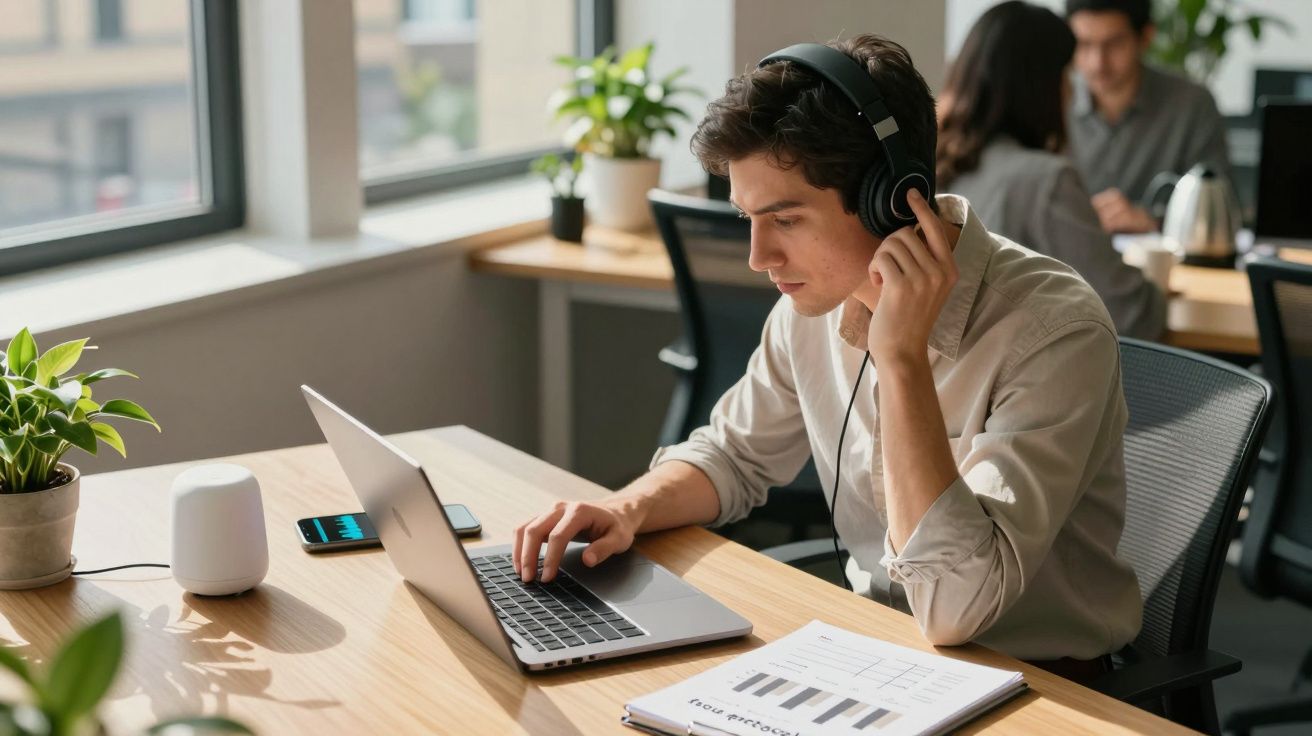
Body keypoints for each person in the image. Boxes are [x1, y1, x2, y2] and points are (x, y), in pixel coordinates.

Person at [512, 34, 1142, 678]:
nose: (759, 258)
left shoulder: (1050, 329)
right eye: (747, 218)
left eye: (785, 220)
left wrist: (900, 361)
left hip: (1043, 685)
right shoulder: (810, 308)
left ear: (894, 199)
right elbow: (733, 454)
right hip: (876, 651)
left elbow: (956, 608)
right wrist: (628, 507)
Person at [939, 1, 1165, 339]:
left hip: (950, 381)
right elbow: (1132, 313)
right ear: (1039, 84)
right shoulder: (1046, 180)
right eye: (1066, 73)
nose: (1073, 90)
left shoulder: (932, 160)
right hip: (1028, 381)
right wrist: (1157, 282)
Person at [1066, 0, 1231, 233]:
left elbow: (1220, 207)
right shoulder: (1051, 99)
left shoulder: (1191, 104)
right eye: (1083, 44)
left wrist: (1153, 221)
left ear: (1145, 37)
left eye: (1114, 44)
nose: (1097, 62)